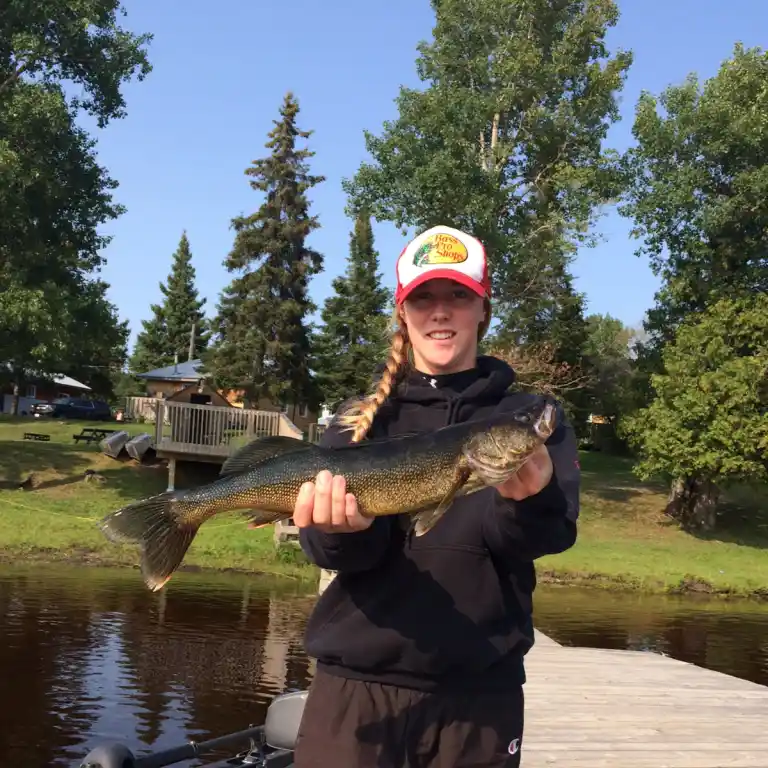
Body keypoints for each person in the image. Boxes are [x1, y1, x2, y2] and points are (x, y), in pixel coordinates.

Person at [291, 225, 580, 767]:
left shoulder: (527, 418)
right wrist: (334, 531)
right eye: (423, 297)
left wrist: (527, 501)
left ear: (483, 309)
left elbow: (543, 537)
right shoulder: (360, 420)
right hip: (355, 690)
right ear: (403, 313)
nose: (440, 312)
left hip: (479, 697)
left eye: (458, 296)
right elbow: (339, 555)